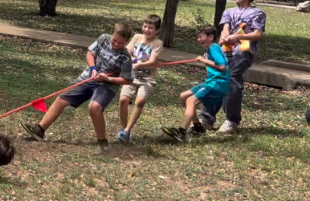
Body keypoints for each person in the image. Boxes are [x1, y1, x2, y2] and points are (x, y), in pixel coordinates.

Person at [21, 22, 134, 149]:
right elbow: (90, 54)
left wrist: (108, 78)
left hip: (107, 86)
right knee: (61, 99)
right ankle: (40, 129)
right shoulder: (103, 39)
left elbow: (128, 80)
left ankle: (102, 142)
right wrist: (93, 69)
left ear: (126, 42)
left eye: (121, 43)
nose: (116, 44)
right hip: (88, 78)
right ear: (112, 34)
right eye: (114, 40)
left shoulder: (125, 57)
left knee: (94, 107)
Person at [199, 0, 266, 134]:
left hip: (243, 52)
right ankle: (207, 119)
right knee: (215, 79)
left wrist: (237, 37)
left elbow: (257, 34)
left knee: (232, 79)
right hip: (225, 51)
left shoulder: (257, 13)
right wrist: (224, 37)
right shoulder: (229, 12)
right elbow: (225, 29)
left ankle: (231, 120)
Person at [162, 26, 229, 141]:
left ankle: (181, 131)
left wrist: (204, 60)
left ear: (211, 37)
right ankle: (198, 127)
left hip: (217, 83)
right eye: (197, 37)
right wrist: (206, 58)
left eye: (201, 37)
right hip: (211, 82)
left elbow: (222, 66)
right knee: (184, 96)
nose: (198, 40)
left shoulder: (214, 48)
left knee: (190, 100)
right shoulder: (210, 50)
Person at [116, 15, 164, 144]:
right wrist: (136, 61)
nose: (146, 29)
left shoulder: (158, 43)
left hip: (147, 79)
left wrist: (138, 64)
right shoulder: (137, 37)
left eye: (150, 28)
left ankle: (127, 131)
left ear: (157, 30)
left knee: (140, 101)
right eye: (145, 26)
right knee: (123, 100)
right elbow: (127, 52)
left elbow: (152, 61)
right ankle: (124, 129)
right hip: (131, 76)